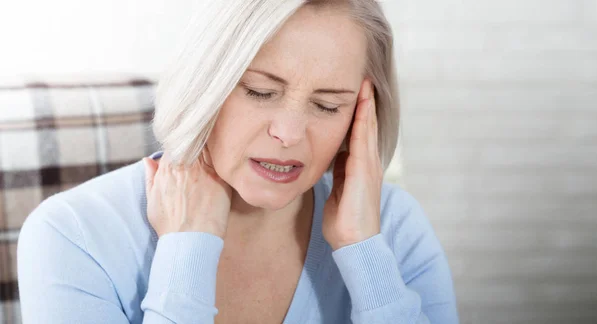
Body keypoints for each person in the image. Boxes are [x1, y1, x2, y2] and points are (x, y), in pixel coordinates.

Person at [17, 0, 459, 323]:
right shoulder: (73, 234)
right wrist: (187, 250)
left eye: (327, 105)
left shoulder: (394, 227)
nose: (288, 133)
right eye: (260, 92)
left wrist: (364, 253)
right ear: (205, 84)